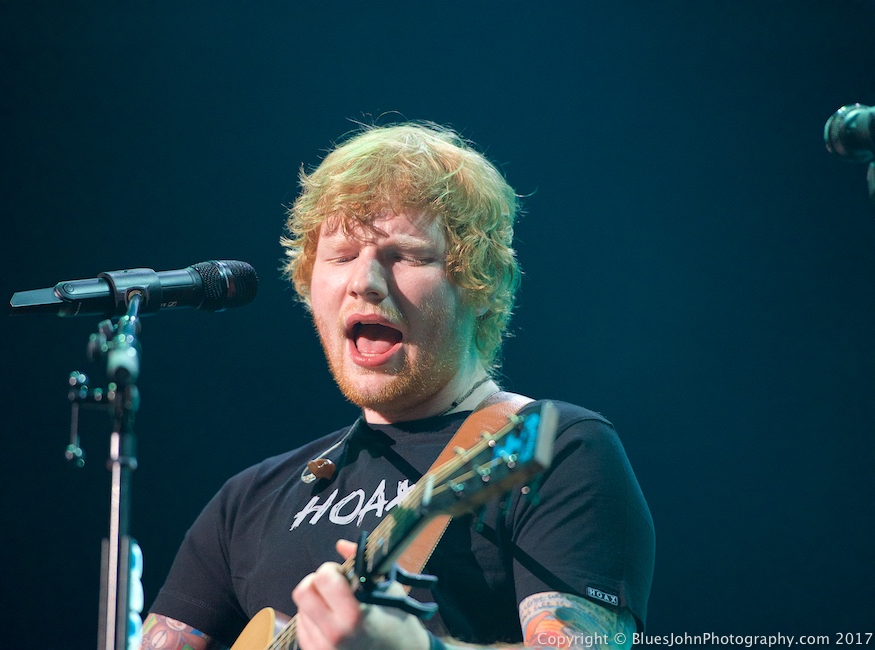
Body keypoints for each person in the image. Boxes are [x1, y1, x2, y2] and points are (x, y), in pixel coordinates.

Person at [140, 122, 654, 650]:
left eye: (405, 255)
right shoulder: (245, 501)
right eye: (340, 257)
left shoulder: (561, 449)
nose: (363, 282)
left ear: (481, 284)